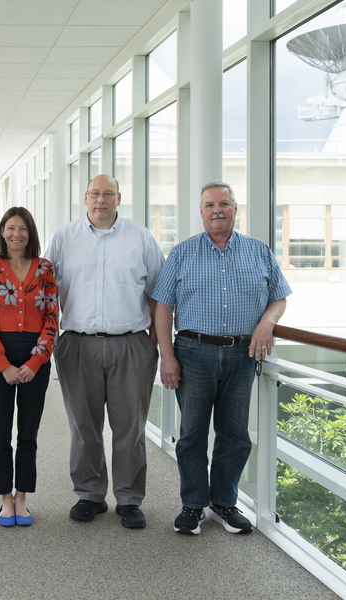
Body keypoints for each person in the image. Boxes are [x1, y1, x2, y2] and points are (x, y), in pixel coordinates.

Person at [149, 181, 291, 535]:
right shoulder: (181, 253)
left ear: (235, 208)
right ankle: (193, 505)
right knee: (192, 434)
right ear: (200, 211)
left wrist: (266, 325)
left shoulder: (259, 251)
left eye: (224, 203)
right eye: (210, 204)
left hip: (244, 354)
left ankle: (224, 503)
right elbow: (162, 308)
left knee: (235, 434)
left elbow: (279, 298)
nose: (217, 210)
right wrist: (166, 356)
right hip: (193, 353)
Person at [44, 174, 164, 529]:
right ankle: (90, 494)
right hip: (77, 344)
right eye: (95, 194)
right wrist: (49, 342)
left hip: (131, 344)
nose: (101, 200)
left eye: (107, 194)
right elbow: (46, 289)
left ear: (118, 198)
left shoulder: (140, 237)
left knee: (130, 426)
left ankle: (128, 498)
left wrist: (156, 345)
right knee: (84, 425)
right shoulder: (64, 238)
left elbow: (159, 293)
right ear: (85, 198)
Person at [0, 206, 58, 527]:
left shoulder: (45, 269)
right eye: (10, 228)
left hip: (36, 359)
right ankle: (4, 498)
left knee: (28, 433)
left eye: (22, 229)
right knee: (1, 434)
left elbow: (52, 318)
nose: (16, 234)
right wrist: (3, 364)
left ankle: (22, 497)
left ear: (31, 233)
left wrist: (36, 361)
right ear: (1, 232)